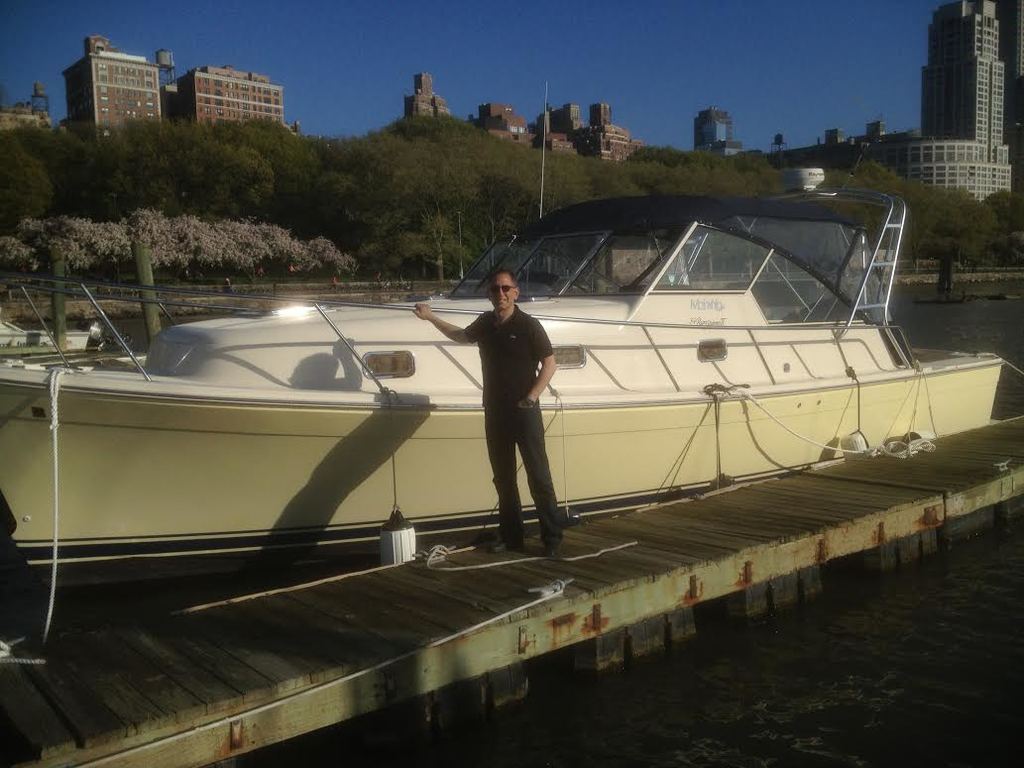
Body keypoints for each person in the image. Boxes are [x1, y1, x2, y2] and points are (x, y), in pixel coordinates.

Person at [414, 269, 564, 557]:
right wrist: (431, 317)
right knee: (503, 478)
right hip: (495, 411)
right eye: (495, 289)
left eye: (506, 288)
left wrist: (532, 397)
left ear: (516, 292)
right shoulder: (485, 322)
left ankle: (552, 539)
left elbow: (549, 363)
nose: (501, 293)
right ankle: (512, 537)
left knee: (539, 476)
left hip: (524, 411)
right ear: (489, 294)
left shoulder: (529, 325)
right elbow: (461, 336)